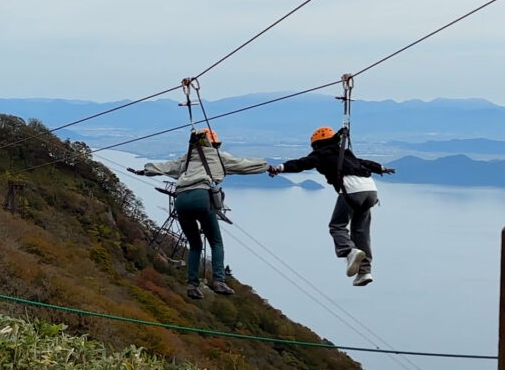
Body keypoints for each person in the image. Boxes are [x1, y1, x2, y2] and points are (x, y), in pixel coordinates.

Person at [129, 129, 268, 299]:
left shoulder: (186, 159)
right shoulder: (219, 157)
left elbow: (165, 167)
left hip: (181, 201)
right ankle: (218, 281)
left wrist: (144, 171)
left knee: (195, 245)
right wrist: (268, 166)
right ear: (213, 143)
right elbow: (244, 165)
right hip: (201, 197)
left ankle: (192, 285)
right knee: (216, 242)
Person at [267, 126, 395, 287]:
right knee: (361, 232)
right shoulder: (345, 153)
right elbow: (363, 163)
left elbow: (302, 164)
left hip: (352, 191)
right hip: (371, 191)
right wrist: (381, 168)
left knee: (337, 227)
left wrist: (280, 168)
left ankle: (349, 251)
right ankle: (364, 272)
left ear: (316, 144)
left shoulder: (320, 154)